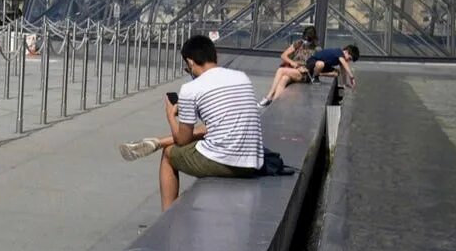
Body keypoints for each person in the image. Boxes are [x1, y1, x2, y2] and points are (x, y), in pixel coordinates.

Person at [117, 34, 263, 210]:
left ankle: (167, 214)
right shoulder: (242, 77)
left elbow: (182, 141)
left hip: (226, 162)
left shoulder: (191, 89)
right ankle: (156, 141)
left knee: (170, 153)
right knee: (206, 130)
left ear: (190, 62)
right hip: (253, 161)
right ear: (214, 55)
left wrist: (171, 115)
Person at [263, 26, 322, 105]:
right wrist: (292, 62)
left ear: (313, 39)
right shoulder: (298, 43)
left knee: (281, 70)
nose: (306, 41)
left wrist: (301, 67)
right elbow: (283, 55)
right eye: (305, 39)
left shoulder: (317, 49)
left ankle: (269, 96)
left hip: (304, 74)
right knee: (284, 79)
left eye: (308, 40)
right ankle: (274, 102)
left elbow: (315, 65)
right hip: (293, 70)